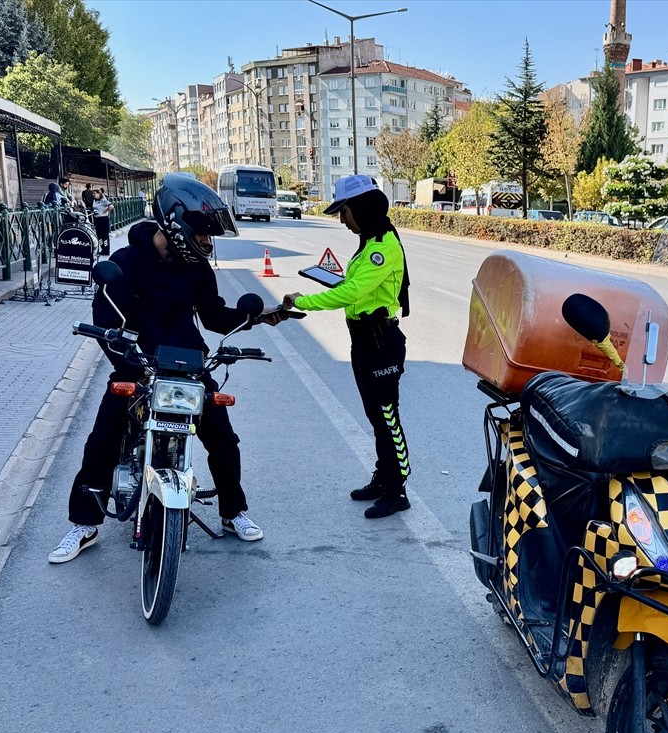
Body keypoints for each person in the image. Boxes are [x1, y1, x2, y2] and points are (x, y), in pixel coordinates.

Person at [49, 174, 265, 564]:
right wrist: (124, 358)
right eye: (201, 233)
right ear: (176, 223)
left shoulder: (196, 268)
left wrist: (256, 317)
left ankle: (233, 513)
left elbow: (213, 315)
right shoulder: (126, 263)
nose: (206, 242)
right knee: (103, 435)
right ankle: (84, 524)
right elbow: (105, 317)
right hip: (138, 362)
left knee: (222, 436)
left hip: (187, 364)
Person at [281, 174, 412, 519]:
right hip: (365, 342)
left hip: (381, 343)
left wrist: (304, 300)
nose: (342, 219)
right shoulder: (370, 243)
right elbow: (354, 285)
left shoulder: (383, 247)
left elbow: (352, 293)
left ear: (362, 209)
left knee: (386, 416)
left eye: (345, 211)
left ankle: (397, 489)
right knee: (375, 415)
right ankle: (383, 477)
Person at [92, 188, 113, 256]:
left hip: (103, 219)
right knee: (99, 235)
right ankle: (102, 248)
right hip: (97, 219)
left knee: (104, 236)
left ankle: (106, 250)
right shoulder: (94, 200)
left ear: (99, 193)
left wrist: (106, 210)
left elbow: (111, 206)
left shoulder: (103, 200)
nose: (93, 195)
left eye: (94, 193)